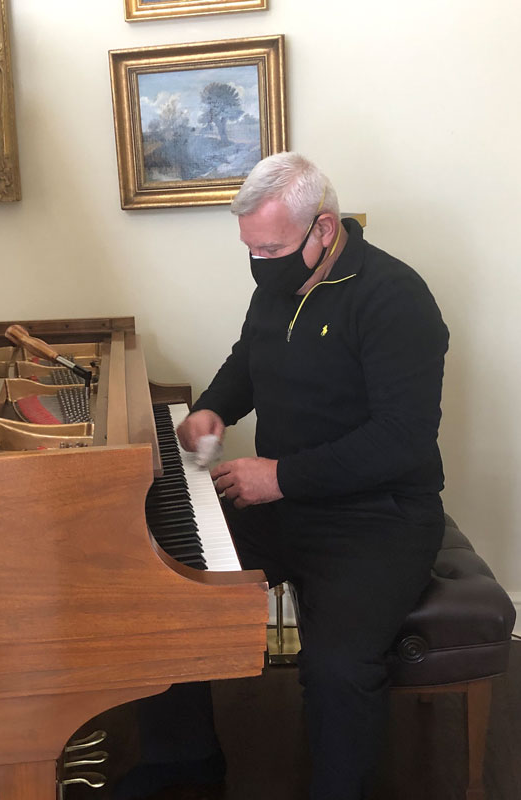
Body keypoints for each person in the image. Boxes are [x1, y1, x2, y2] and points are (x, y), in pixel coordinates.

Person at [115, 153, 449, 800]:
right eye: (250, 248)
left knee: (338, 668)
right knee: (163, 585)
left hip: (377, 518)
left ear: (323, 229)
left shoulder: (395, 297)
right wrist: (213, 408)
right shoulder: (277, 286)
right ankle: (183, 760)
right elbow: (250, 359)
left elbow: (402, 441)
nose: (258, 262)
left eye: (270, 248)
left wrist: (283, 477)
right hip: (284, 499)